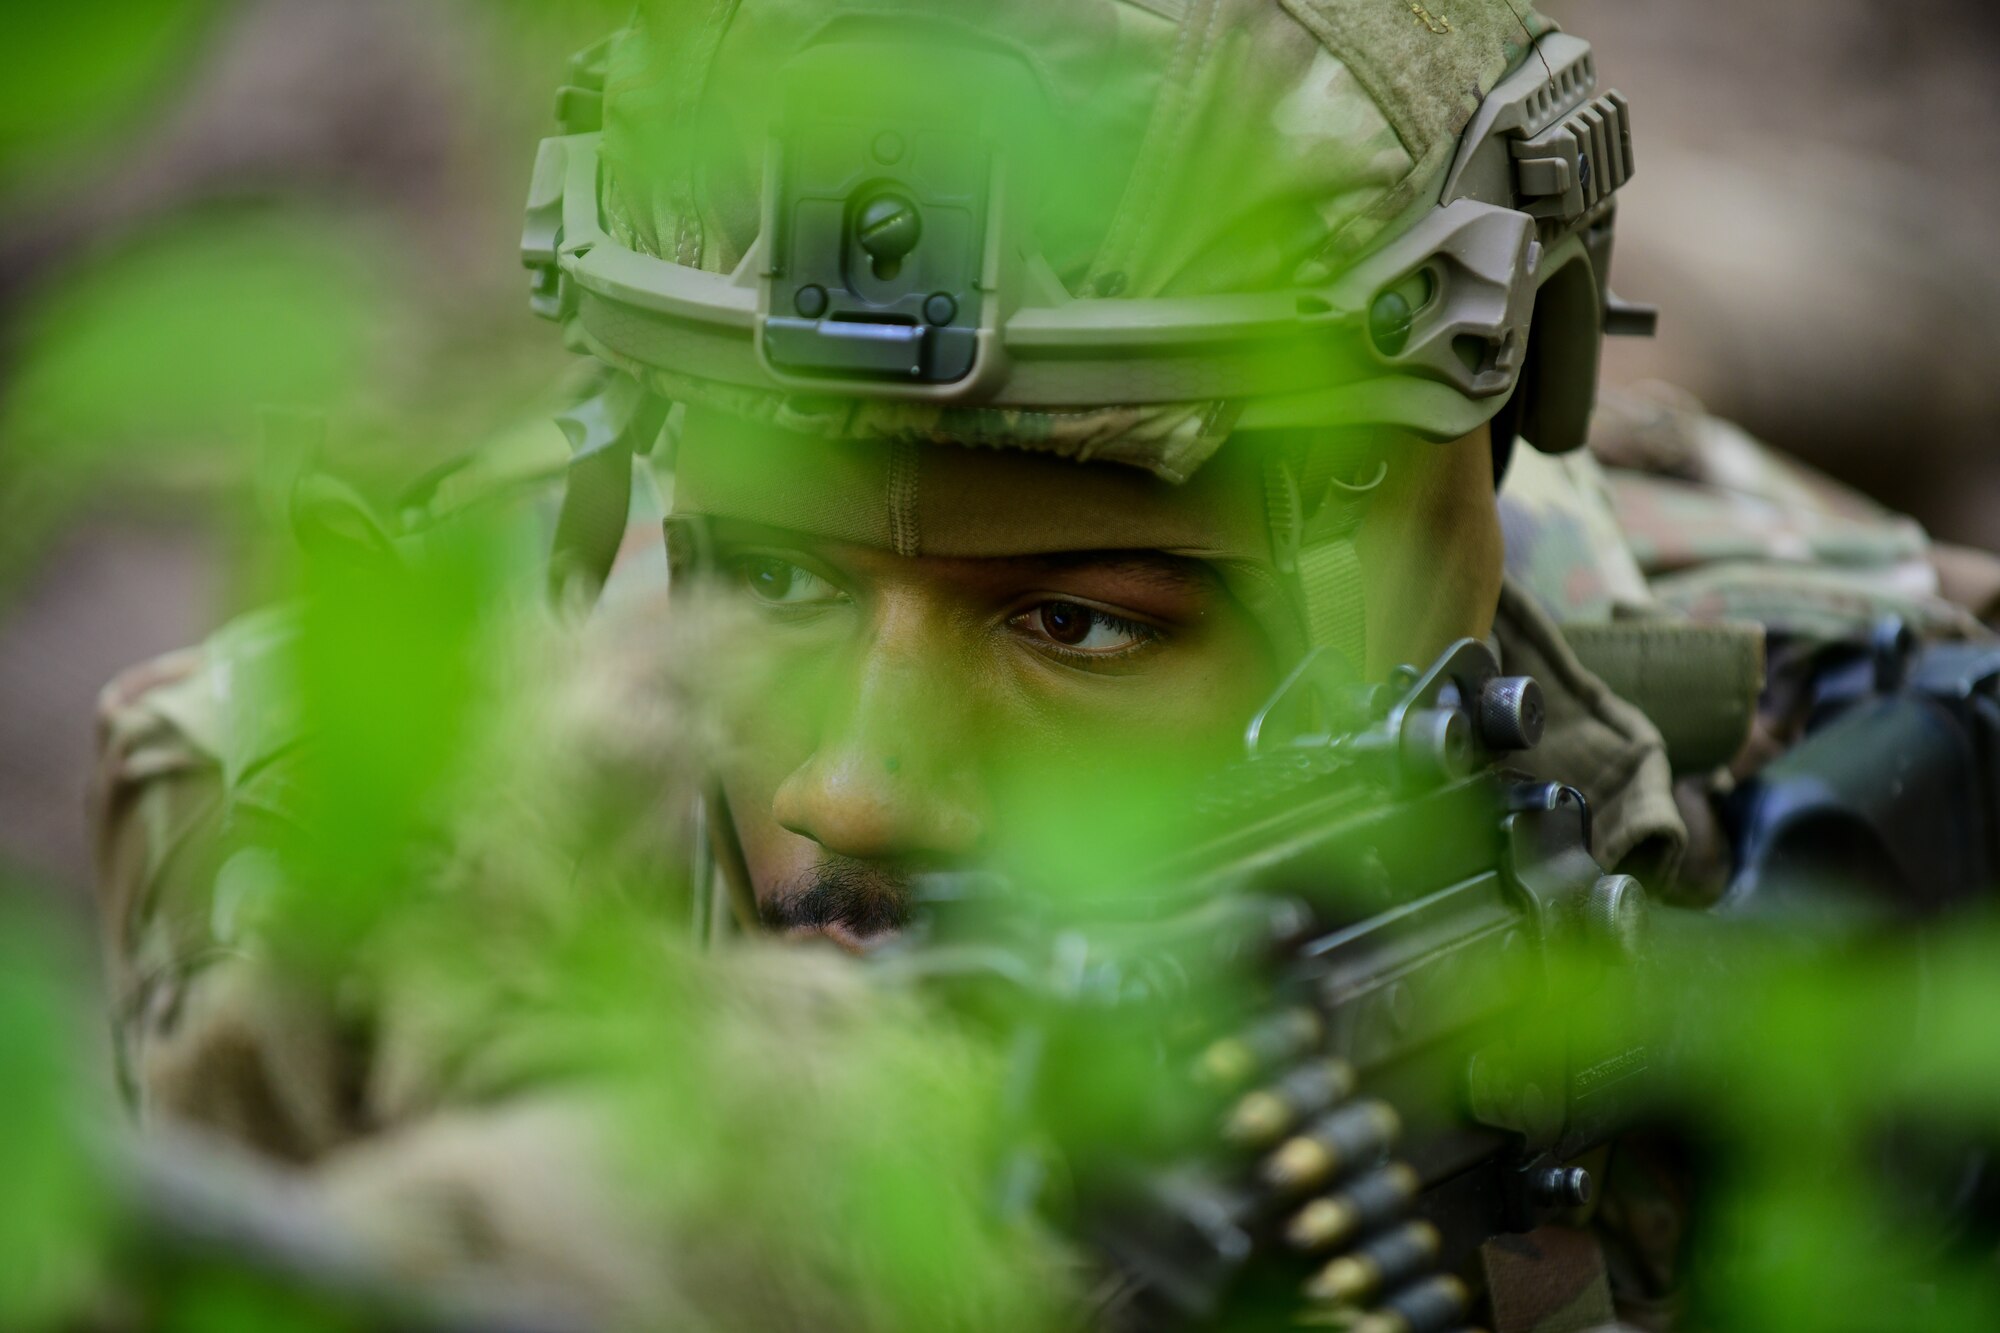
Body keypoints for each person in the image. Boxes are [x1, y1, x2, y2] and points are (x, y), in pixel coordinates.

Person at [90, 2, 2000, 1329]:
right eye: (774, 584)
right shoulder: (342, 853)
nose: (850, 785)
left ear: (1437, 576)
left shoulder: (1815, 725)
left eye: (1078, 623)